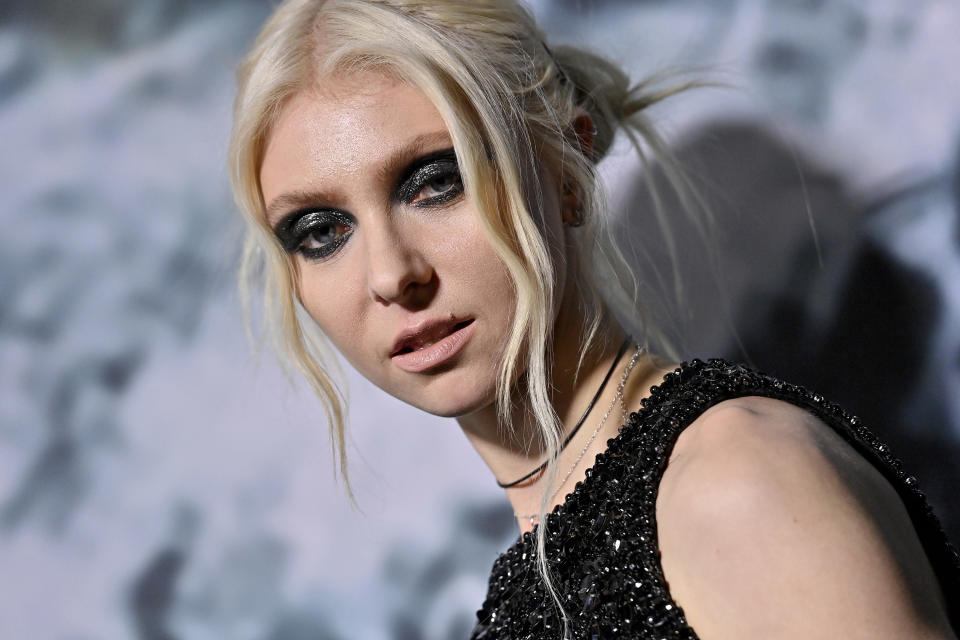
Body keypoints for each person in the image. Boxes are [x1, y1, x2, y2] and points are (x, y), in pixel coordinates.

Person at [229, 0, 960, 637]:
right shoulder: (560, 551)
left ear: (567, 163)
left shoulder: (733, 480)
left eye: (434, 182)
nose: (390, 275)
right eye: (321, 232)